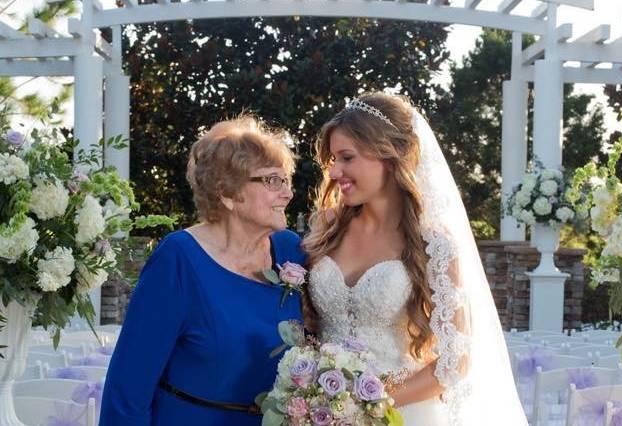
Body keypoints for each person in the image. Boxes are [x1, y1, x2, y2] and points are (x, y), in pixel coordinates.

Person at [303, 92, 527, 425]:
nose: (334, 171)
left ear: (392, 155)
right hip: (321, 413)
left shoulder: (432, 243)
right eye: (332, 159)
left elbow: (454, 359)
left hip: (402, 413)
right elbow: (305, 324)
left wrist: (365, 404)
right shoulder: (326, 227)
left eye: (346, 157)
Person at [100, 116, 305, 425]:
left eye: (286, 180)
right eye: (272, 180)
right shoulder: (178, 260)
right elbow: (128, 389)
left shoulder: (291, 250)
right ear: (227, 193)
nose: (287, 193)